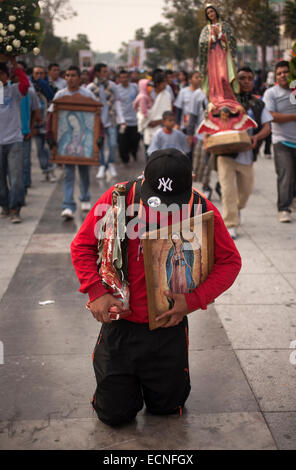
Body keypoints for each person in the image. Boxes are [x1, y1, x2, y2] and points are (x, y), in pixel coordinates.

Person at [71, 148, 242, 426]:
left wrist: (194, 299)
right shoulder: (119, 198)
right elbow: (82, 245)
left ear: (193, 180)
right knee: (114, 414)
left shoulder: (200, 206)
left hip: (168, 326)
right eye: (156, 199)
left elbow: (230, 261)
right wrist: (97, 292)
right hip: (121, 326)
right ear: (143, 178)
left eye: (171, 201)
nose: (162, 207)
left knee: (168, 408)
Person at [216, 66, 272, 239]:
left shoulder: (258, 103)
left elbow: (267, 127)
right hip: (226, 154)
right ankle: (230, 223)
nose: (246, 81)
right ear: (235, 80)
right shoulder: (224, 103)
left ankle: (235, 209)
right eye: (242, 78)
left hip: (247, 155)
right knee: (227, 190)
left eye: (249, 78)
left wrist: (257, 138)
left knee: (245, 192)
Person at [46, 65, 98, 220]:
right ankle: (68, 205)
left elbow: (97, 116)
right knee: (68, 174)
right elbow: (51, 116)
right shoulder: (60, 95)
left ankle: (85, 198)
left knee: (84, 172)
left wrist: (98, 137)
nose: (70, 78)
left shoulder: (88, 95)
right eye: (67, 75)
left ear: (79, 78)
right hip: (65, 145)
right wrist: (50, 136)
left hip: (84, 143)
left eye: (73, 75)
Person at [263, 60, 296, 223]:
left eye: (286, 72)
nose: (283, 75)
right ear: (275, 76)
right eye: (279, 73)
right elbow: (271, 116)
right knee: (286, 174)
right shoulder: (271, 93)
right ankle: (283, 209)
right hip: (282, 141)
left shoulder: (294, 90)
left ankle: (293, 200)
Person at [0, 57, 30, 223]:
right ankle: (4, 204)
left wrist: (14, 64)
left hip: (14, 141)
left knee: (17, 178)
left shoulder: (14, 91)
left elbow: (25, 84)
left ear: (6, 75)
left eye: (1, 74)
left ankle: (14, 209)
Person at [88, 63, 125, 179]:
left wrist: (122, 119)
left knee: (113, 144)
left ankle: (111, 163)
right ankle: (102, 166)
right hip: (97, 121)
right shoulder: (90, 88)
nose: (106, 73)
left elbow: (118, 103)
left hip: (111, 119)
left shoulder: (112, 86)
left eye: (107, 71)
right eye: (104, 71)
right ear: (97, 73)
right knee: (100, 145)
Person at [31, 66, 56, 182]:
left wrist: (43, 84)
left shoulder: (49, 86)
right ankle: (45, 170)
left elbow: (52, 97)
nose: (39, 76)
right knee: (40, 149)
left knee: (48, 148)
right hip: (35, 124)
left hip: (48, 123)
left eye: (41, 73)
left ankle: (51, 170)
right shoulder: (30, 88)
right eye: (36, 74)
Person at [141, 72, 172, 159]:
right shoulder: (148, 93)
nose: (166, 84)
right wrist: (147, 122)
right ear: (157, 83)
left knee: (161, 156)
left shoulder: (167, 95)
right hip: (148, 126)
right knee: (149, 155)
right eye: (163, 82)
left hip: (161, 128)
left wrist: (158, 122)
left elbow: (168, 113)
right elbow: (142, 111)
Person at [116, 70, 140, 165]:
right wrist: (120, 119)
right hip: (122, 122)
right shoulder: (117, 89)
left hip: (135, 121)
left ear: (129, 78)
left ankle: (134, 153)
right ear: (119, 79)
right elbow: (116, 105)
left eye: (126, 77)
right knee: (122, 143)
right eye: (122, 77)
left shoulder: (134, 87)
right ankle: (125, 158)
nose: (124, 79)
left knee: (135, 141)